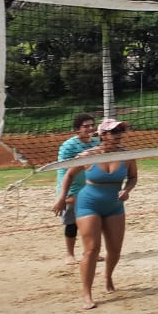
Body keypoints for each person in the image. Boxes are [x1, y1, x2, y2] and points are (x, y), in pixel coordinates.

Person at [52, 118, 138, 310]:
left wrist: (127, 190)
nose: (118, 135)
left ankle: (107, 276)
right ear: (102, 135)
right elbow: (69, 174)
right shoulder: (89, 155)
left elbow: (133, 177)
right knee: (92, 249)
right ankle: (87, 294)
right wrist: (61, 198)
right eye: (113, 132)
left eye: (119, 131)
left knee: (115, 249)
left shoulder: (127, 155)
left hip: (114, 205)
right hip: (88, 203)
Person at [55, 113, 100, 265]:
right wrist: (64, 196)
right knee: (72, 223)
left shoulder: (96, 142)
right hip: (71, 188)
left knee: (92, 221)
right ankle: (69, 254)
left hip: (89, 187)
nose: (90, 128)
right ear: (77, 130)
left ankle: (90, 251)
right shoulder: (68, 146)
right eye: (86, 126)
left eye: (92, 125)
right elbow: (65, 170)